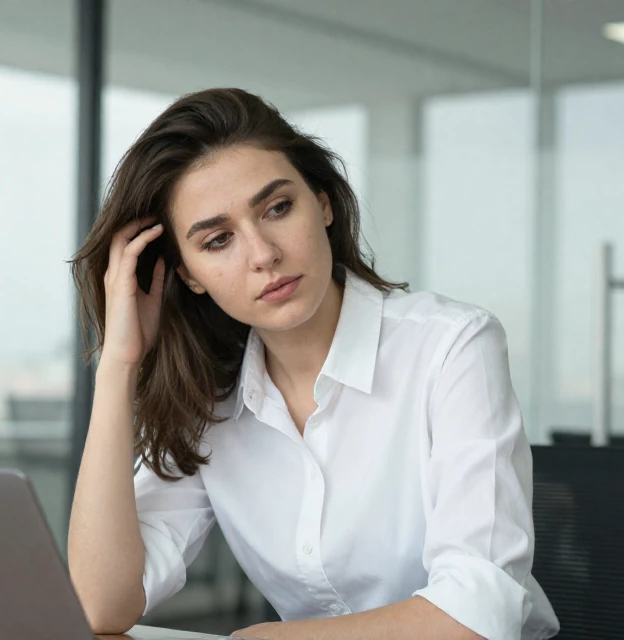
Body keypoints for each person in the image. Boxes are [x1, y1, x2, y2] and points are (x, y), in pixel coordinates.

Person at [66, 87, 559, 640]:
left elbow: (479, 614)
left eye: (278, 208)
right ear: (188, 276)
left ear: (322, 203)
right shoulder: (212, 398)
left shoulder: (452, 348)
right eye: (218, 240)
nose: (263, 254)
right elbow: (100, 604)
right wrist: (118, 364)